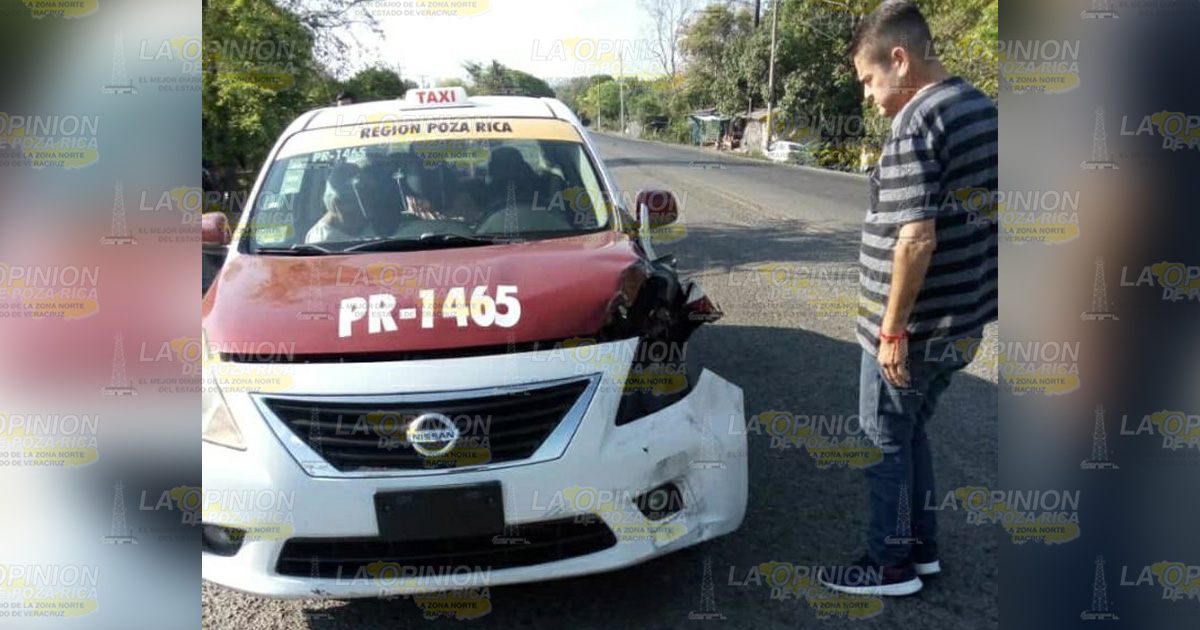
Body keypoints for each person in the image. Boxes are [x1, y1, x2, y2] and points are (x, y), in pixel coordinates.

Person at [817, 0, 998, 597]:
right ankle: (921, 551)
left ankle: (888, 565)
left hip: (912, 331)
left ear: (900, 59)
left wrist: (892, 330)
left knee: (883, 438)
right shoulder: (982, 108)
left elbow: (916, 235)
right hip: (963, 319)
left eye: (869, 80)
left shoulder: (919, 120)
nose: (869, 96)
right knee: (911, 433)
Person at [304, 162, 377, 244]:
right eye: (358, 204)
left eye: (367, 199)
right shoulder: (322, 242)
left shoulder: (364, 225)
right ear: (337, 205)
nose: (367, 211)